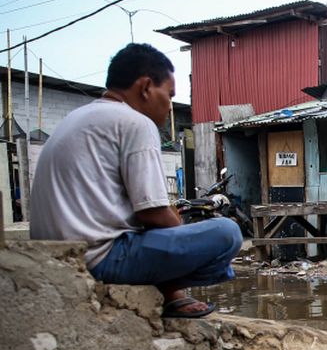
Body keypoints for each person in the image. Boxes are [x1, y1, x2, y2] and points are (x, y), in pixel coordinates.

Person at [30, 43, 241, 318]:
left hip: (58, 257)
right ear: (145, 87)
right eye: (169, 94)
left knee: (172, 231)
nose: (169, 106)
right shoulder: (135, 123)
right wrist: (176, 226)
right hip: (101, 258)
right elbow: (151, 212)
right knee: (227, 233)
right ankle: (171, 290)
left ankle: (171, 293)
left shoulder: (78, 117)